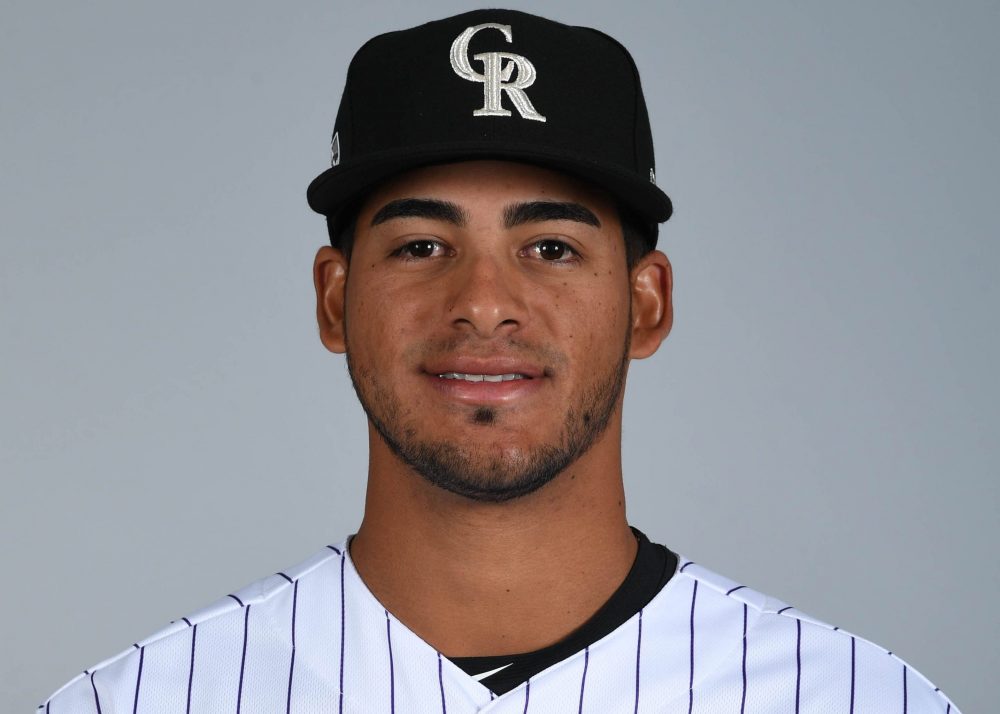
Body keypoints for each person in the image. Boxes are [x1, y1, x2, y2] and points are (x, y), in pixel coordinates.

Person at [43, 9, 960, 713]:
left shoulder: (853, 697)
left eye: (551, 248)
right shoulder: (142, 700)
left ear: (647, 305)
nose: (483, 302)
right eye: (420, 246)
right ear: (333, 299)